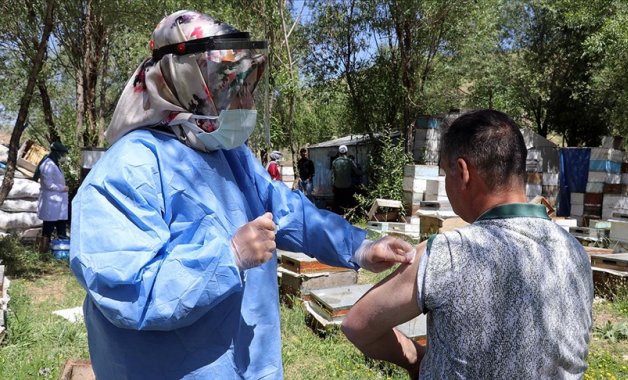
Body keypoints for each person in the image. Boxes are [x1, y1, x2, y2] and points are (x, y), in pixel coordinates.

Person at [68, 10, 414, 380]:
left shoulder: (229, 155)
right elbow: (127, 291)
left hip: (250, 365)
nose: (246, 102)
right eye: (231, 87)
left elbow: (286, 210)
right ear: (185, 81)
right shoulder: (129, 168)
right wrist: (228, 257)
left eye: (247, 86)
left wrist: (360, 247)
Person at [342, 110, 593, 379]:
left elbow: (357, 324)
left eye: (444, 174)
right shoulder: (575, 252)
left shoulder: (448, 253)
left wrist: (415, 359)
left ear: (462, 172)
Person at [34, 141, 69, 253]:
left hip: (58, 201)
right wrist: (62, 188)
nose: (64, 157)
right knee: (48, 227)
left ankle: (62, 250)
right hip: (51, 200)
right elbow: (47, 184)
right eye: (63, 154)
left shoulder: (55, 164)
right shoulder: (47, 165)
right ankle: (43, 251)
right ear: (57, 153)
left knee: (61, 225)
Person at [331, 144, 361, 214]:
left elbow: (332, 176)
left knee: (338, 204)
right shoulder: (350, 161)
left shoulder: (334, 162)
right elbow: (357, 172)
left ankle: (338, 217)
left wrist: (333, 186)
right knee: (348, 203)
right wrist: (366, 170)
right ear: (346, 152)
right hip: (348, 186)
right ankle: (348, 216)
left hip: (337, 187)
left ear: (339, 152)